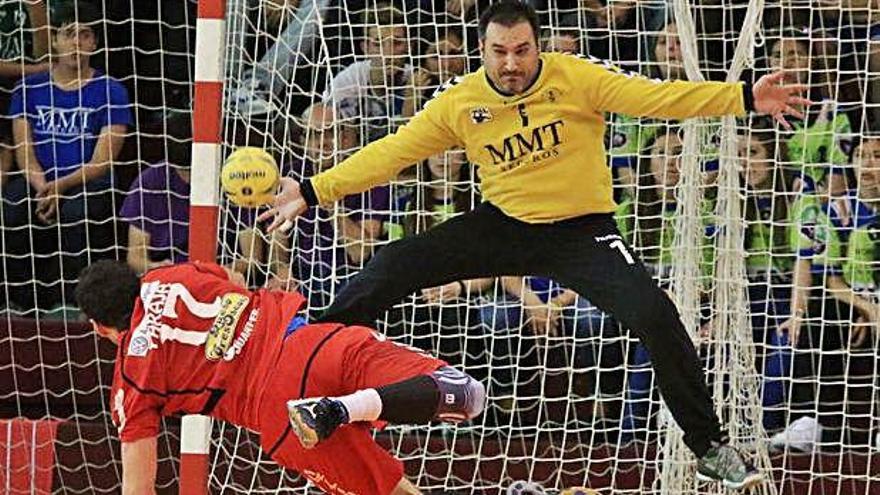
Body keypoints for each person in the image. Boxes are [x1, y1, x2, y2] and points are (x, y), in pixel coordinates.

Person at [261, 0, 811, 487]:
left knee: (654, 313)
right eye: (499, 51)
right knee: (392, 264)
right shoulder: (460, 101)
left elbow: (657, 98)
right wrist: (311, 191)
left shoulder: (576, 77)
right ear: (483, 49)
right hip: (504, 223)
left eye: (521, 50)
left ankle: (708, 447)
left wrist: (744, 96)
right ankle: (303, 354)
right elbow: (392, 153)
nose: (510, 63)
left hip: (582, 232)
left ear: (536, 46)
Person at [75, 260, 485, 495]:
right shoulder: (170, 274)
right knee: (465, 394)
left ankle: (336, 411)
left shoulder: (131, 380)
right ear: (134, 279)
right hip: (311, 344)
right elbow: (234, 281)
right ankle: (341, 408)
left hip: (281, 412)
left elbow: (138, 487)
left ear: (98, 327)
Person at [2, 2, 131, 311]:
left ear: (95, 43)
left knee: (78, 214)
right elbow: (24, 151)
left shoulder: (111, 89)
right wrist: (42, 185)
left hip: (87, 179)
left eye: (85, 35)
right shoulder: (28, 88)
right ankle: (19, 303)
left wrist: (60, 186)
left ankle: (72, 304)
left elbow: (103, 161)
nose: (77, 42)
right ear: (55, 40)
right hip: (39, 180)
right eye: (69, 34)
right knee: (11, 211)